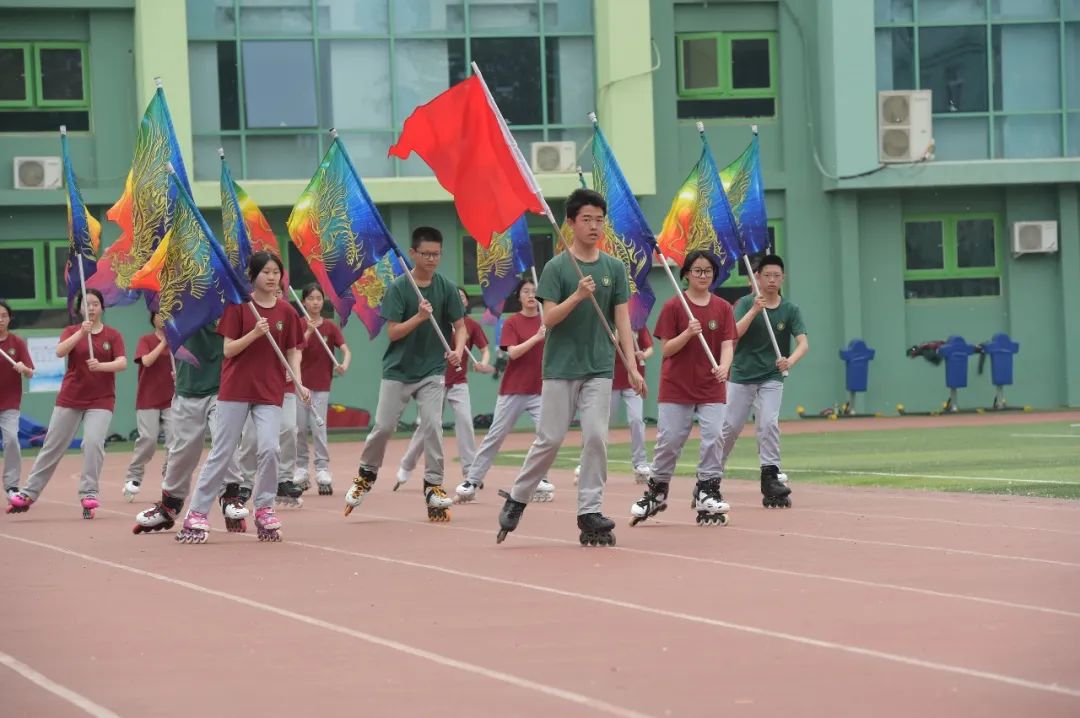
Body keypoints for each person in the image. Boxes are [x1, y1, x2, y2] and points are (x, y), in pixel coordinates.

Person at [495, 188, 644, 547]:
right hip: (561, 368)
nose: (594, 226)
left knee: (596, 436)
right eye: (587, 219)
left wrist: (633, 364)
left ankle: (590, 511)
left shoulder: (613, 268)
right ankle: (518, 497)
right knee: (550, 439)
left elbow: (622, 320)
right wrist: (577, 295)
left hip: (599, 367)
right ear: (572, 223)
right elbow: (549, 318)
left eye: (599, 220)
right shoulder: (557, 268)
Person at [177, 252, 306, 543]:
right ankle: (196, 512)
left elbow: (293, 350)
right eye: (266, 272)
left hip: (270, 391)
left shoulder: (287, 312)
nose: (272, 277)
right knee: (223, 452)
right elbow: (228, 350)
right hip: (235, 389)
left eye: (276, 272)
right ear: (253, 276)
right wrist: (254, 334)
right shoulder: (238, 307)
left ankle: (264, 508)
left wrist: (298, 380)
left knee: (271, 449)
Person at [343, 226, 467, 521]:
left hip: (432, 371)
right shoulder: (400, 288)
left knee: (433, 426)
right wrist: (420, 317)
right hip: (398, 371)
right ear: (413, 253)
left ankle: (433, 485)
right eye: (426, 254)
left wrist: (458, 350)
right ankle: (366, 475)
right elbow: (394, 333)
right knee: (384, 427)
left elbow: (459, 327)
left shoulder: (446, 287)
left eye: (436, 254)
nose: (432, 259)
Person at [630, 250, 736, 527]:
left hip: (711, 384)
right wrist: (688, 333)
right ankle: (657, 491)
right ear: (686, 273)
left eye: (708, 271)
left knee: (715, 437)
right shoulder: (675, 306)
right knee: (670, 441)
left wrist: (724, 367)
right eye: (698, 270)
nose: (703, 275)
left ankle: (707, 489)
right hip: (677, 385)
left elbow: (728, 343)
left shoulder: (723, 308)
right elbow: (667, 349)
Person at [7, 289, 126, 518]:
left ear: (102, 308)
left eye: (95, 304)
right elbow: (60, 351)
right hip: (71, 397)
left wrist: (100, 366)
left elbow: (121, 363)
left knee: (92, 443)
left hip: (101, 399)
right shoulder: (72, 331)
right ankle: (29, 493)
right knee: (52, 445)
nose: (90, 308)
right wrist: (81, 333)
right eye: (86, 304)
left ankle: (89, 493)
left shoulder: (113, 335)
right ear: (79, 308)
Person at [718, 254, 809, 508]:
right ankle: (710, 478)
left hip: (771, 377)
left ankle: (770, 477)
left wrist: (789, 361)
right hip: (742, 376)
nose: (771, 280)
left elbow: (803, 343)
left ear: (783, 278)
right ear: (757, 278)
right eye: (766, 275)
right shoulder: (746, 303)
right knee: (730, 428)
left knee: (768, 424)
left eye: (776, 276)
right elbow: (733, 334)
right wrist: (755, 310)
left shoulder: (790, 310)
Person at [455, 278, 553, 503]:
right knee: (495, 435)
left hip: (540, 390)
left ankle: (541, 478)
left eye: (534, 291)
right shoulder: (512, 323)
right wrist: (537, 337)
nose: (530, 295)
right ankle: (472, 480)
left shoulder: (547, 322)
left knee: (546, 436)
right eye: (525, 291)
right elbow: (513, 353)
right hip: (513, 390)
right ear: (518, 296)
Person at [133, 322, 228, 534]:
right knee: (182, 450)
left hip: (222, 385)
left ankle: (232, 496)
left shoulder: (227, 297)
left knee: (225, 441)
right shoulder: (177, 303)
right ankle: (171, 504)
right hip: (188, 385)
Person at [395, 286, 493, 491]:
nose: (460, 300)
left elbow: (484, 349)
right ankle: (407, 465)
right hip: (436, 382)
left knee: (465, 422)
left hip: (459, 382)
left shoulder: (470, 325)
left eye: (463, 297)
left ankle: (470, 472)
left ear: (466, 303)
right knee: (428, 426)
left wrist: (483, 362)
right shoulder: (437, 323)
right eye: (455, 297)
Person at [573, 325, 653, 485]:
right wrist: (620, 334)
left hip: (633, 380)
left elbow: (650, 347)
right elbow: (607, 345)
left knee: (637, 420)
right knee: (599, 424)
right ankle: (586, 463)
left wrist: (643, 354)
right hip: (609, 379)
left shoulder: (638, 321)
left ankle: (641, 464)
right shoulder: (608, 321)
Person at [295, 283, 350, 495]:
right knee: (298, 428)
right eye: (311, 299)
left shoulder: (330, 327)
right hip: (300, 387)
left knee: (319, 428)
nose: (316, 302)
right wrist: (309, 330)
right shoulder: (299, 325)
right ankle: (300, 468)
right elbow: (297, 349)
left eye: (319, 298)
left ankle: (322, 469)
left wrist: (343, 364)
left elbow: (346, 350)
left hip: (321, 386)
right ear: (305, 301)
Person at [123, 311, 175, 502]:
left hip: (171, 398)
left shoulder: (178, 339)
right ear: (152, 318)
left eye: (167, 314)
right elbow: (146, 361)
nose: (163, 317)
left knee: (174, 440)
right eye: (159, 314)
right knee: (149, 439)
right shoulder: (145, 340)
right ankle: (134, 477)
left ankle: (169, 476)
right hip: (148, 397)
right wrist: (164, 342)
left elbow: (185, 363)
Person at [0, 300, 35, 503]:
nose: (0, 319)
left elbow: (31, 373)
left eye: (4, 315)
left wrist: (24, 368)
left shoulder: (17, 343)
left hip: (9, 403)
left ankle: (12, 486)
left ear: (9, 318)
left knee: (12, 440)